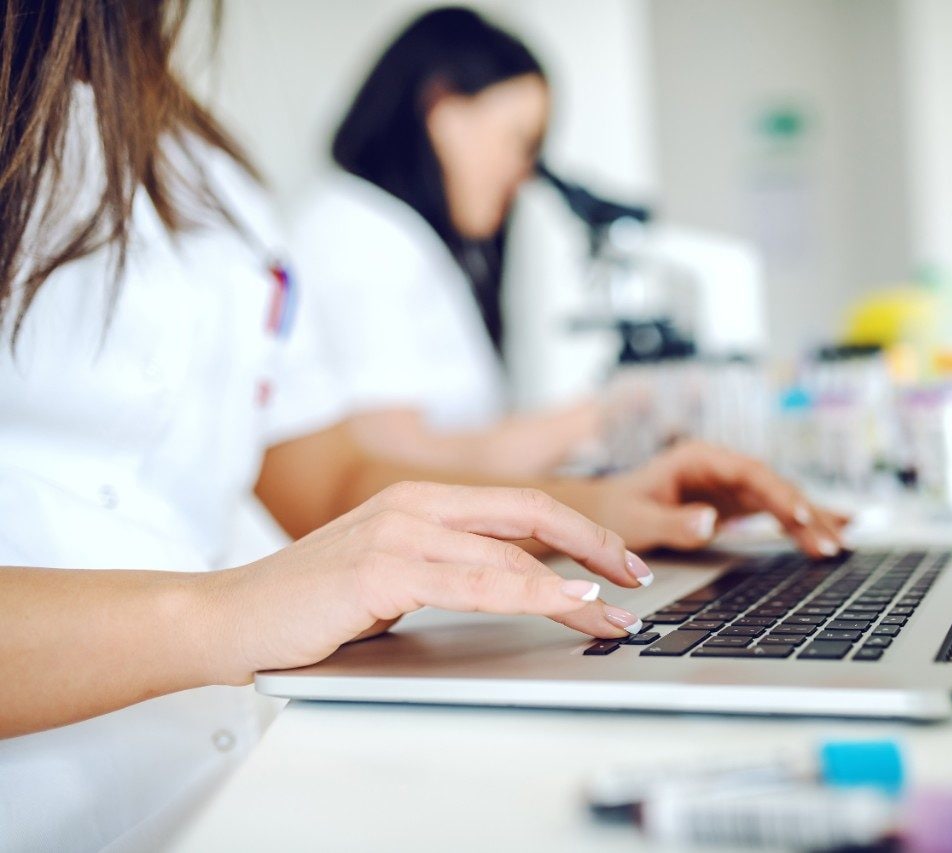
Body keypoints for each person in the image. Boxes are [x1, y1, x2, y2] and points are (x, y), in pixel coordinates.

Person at [0, 2, 845, 849]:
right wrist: (232, 611)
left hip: (230, 770)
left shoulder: (210, 176)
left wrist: (590, 509)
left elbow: (326, 482)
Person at [293, 7, 593, 477]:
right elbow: (392, 464)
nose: (526, 175)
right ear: (443, 109)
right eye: (519, 140)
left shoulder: (403, 238)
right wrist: (599, 419)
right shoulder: (358, 234)